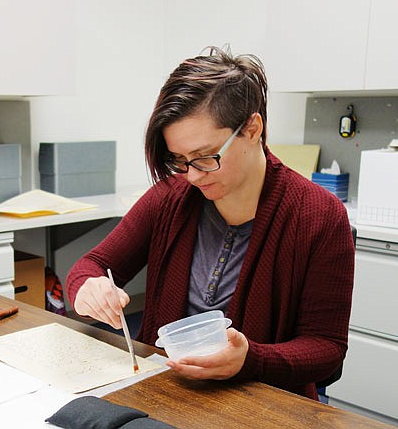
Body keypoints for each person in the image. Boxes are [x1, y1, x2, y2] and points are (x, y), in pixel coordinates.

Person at [64, 46, 355, 401]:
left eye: (205, 158)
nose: (192, 176)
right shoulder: (170, 198)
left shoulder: (318, 215)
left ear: (252, 128)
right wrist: (89, 288)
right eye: (179, 160)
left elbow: (325, 348)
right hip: (168, 393)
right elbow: (91, 266)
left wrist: (250, 359)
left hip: (262, 404)